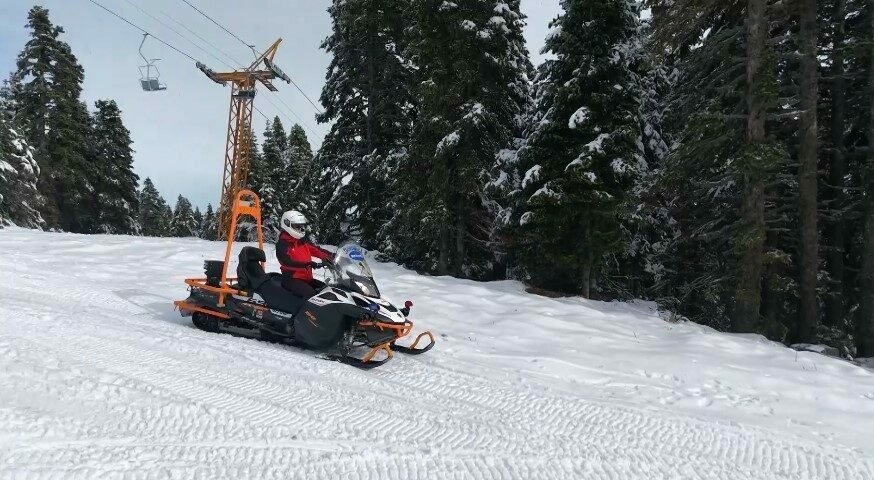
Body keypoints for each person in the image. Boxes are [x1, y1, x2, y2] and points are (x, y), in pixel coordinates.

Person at [276, 210, 333, 299]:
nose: (301, 229)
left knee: (327, 291)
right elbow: (285, 262)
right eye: (297, 226)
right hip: (291, 279)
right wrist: (307, 264)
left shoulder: (301, 241)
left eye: (302, 226)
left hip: (306, 279)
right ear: (287, 224)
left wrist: (332, 256)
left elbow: (316, 250)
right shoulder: (283, 244)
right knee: (311, 297)